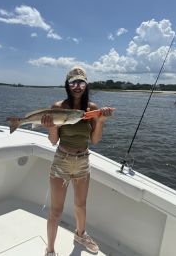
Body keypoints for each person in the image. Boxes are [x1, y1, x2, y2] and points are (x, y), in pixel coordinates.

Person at [41, 67, 115, 256]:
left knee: (80, 205)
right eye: (73, 82)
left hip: (83, 161)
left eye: (80, 82)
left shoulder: (91, 108)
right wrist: (51, 127)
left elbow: (95, 140)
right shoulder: (58, 106)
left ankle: (80, 235)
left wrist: (100, 121)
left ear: (86, 84)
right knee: (56, 211)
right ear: (68, 85)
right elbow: (53, 141)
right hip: (62, 161)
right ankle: (50, 250)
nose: (77, 86)